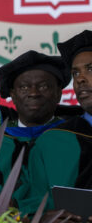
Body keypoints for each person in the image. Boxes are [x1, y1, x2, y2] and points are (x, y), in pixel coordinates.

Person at [16, 30, 92, 221]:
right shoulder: (52, 142)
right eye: (76, 73)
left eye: (90, 69)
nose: (81, 79)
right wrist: (40, 218)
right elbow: (29, 203)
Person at [0, 51, 69, 197]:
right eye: (24, 87)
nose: (33, 93)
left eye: (44, 86)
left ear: (59, 93)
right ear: (13, 95)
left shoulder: (75, 138)